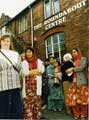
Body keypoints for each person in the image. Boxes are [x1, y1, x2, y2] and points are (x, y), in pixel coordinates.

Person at [0, 35, 23, 119]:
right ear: (0, 42)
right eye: (4, 41)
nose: (6, 42)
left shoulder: (15, 54)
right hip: (2, 86)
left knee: (16, 109)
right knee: (3, 110)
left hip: (15, 85)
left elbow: (20, 68)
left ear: (10, 43)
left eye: (8, 41)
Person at [21, 47, 45, 120]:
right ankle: (29, 118)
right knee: (28, 103)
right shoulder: (24, 62)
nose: (28, 53)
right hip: (28, 86)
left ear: (33, 52)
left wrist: (31, 72)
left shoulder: (38, 61)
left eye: (30, 52)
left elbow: (42, 70)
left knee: (37, 102)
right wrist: (36, 71)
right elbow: (25, 73)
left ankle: (37, 117)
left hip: (36, 85)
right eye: (27, 52)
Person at [65, 48, 88, 120]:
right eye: (72, 52)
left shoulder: (83, 59)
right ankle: (76, 114)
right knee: (74, 100)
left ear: (78, 52)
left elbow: (82, 67)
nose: (73, 53)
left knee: (83, 100)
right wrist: (67, 71)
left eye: (75, 52)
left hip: (81, 82)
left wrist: (72, 69)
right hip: (73, 82)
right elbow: (66, 70)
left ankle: (83, 114)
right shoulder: (71, 61)